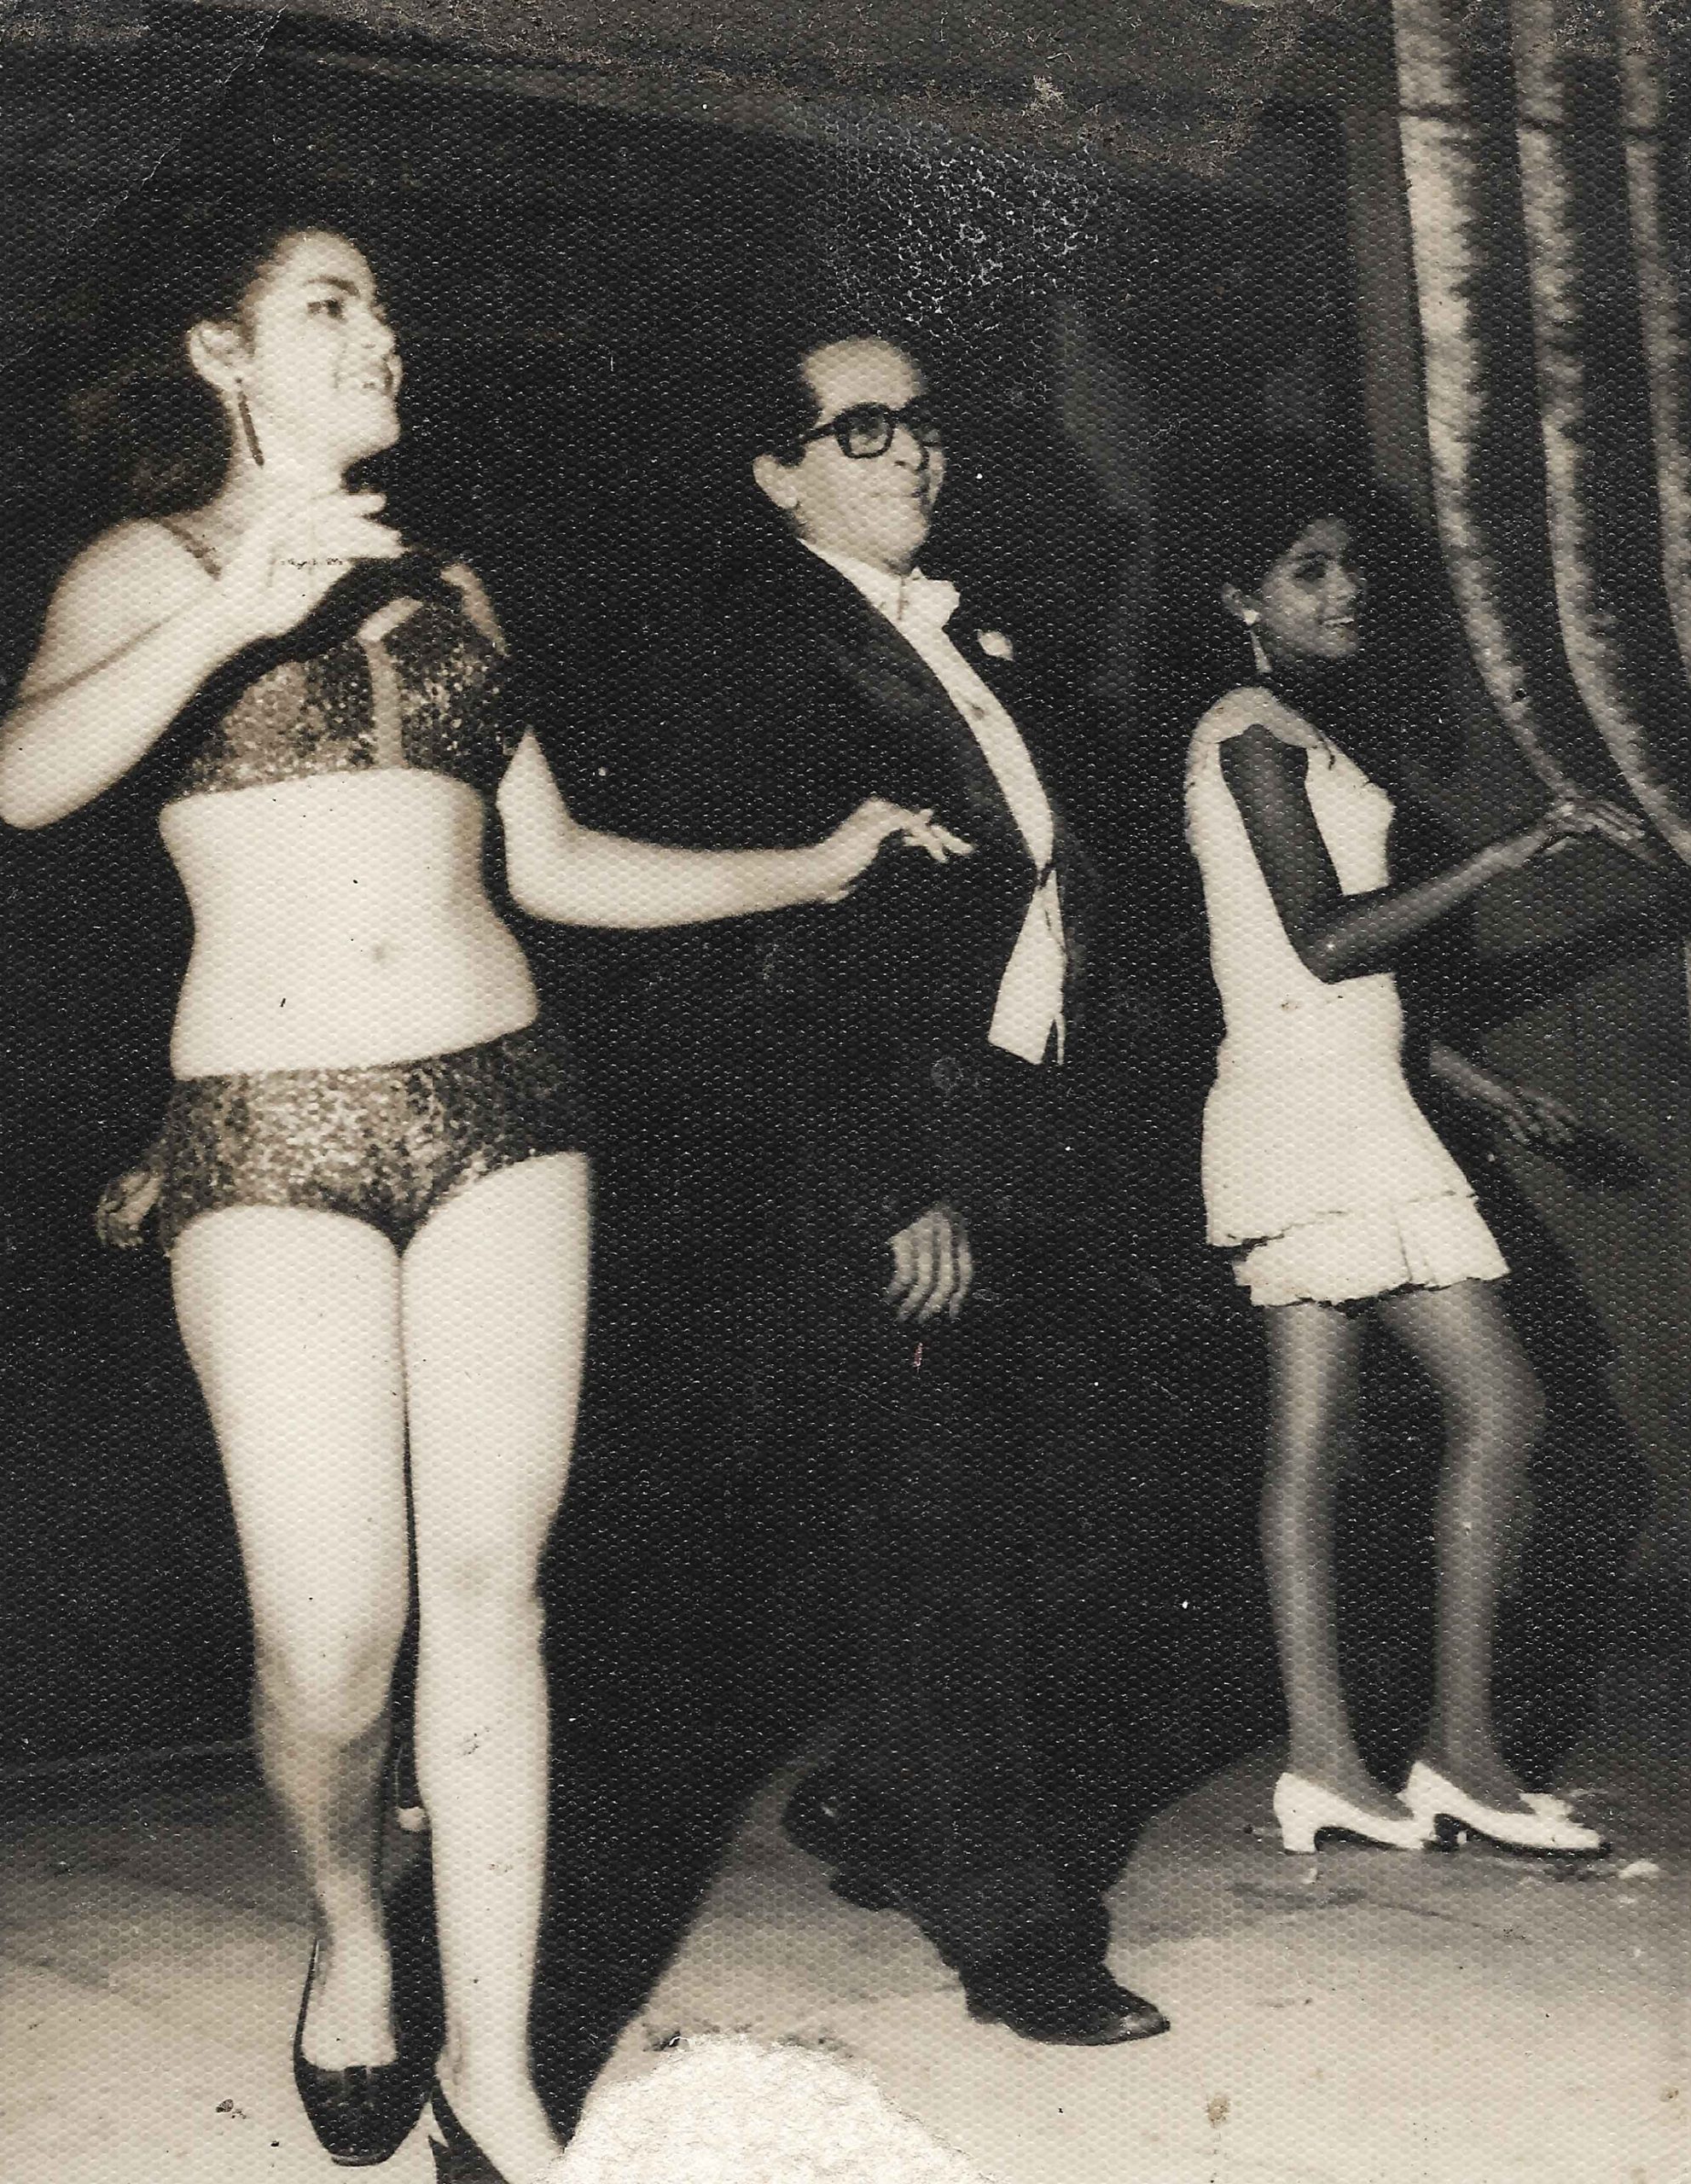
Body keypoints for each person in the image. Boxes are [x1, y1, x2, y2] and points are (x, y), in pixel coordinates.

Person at [0, 215, 950, 2184]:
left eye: (383, 306)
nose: (381, 335)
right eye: (328, 306)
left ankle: (493, 2073)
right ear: (225, 351)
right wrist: (232, 606)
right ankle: (354, 1927)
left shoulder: (451, 584)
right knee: (328, 1642)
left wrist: (805, 865)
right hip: (269, 1127)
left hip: (505, 1108)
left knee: (495, 1599)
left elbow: (557, 862)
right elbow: (24, 781)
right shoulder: (146, 567)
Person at [645, 323, 1169, 2048]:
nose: (912, 452)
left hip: (1033, 1129)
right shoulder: (759, 648)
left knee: (1057, 1517)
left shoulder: (978, 634)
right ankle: (1022, 1938)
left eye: (920, 423)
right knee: (938, 1544)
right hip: (890, 1146)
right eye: (862, 428)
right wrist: (891, 1185)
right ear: (778, 474)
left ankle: (880, 1799)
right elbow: (778, 951)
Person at [1180, 461, 1643, 1861]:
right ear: (1242, 600)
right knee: (1503, 1406)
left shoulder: (1286, 730)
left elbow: (1300, 981)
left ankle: (1332, 1765)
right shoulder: (1250, 733)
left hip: (1323, 1097)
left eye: (1351, 566)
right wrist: (1511, 853)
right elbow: (1326, 943)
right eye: (1307, 570)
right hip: (1318, 1117)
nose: (1345, 591)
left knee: (1315, 1446)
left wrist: (1480, 1086)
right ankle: (1458, 1756)